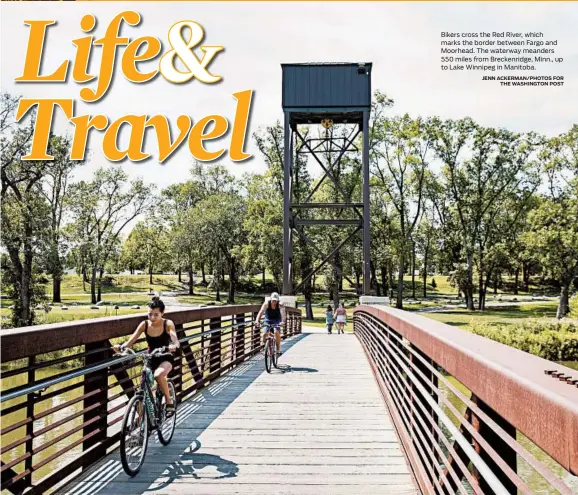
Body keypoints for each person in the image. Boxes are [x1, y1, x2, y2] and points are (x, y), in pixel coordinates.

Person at [113, 297, 179, 417]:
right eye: (150, 314)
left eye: (156, 315)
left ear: (162, 313)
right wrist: (122, 347)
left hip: (165, 356)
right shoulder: (144, 324)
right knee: (144, 382)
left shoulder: (167, 323)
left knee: (158, 375)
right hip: (150, 357)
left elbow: (174, 337)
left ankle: (169, 402)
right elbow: (132, 339)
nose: (152, 318)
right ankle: (144, 419)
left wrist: (174, 345)